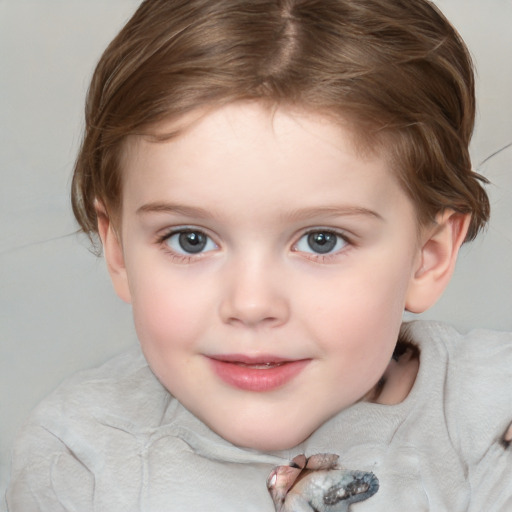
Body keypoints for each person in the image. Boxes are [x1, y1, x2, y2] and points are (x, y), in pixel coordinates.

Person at [6, 0, 512, 510]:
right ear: (118, 249)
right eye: (191, 239)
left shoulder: (491, 426)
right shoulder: (79, 461)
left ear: (428, 255)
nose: (250, 304)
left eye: (321, 241)